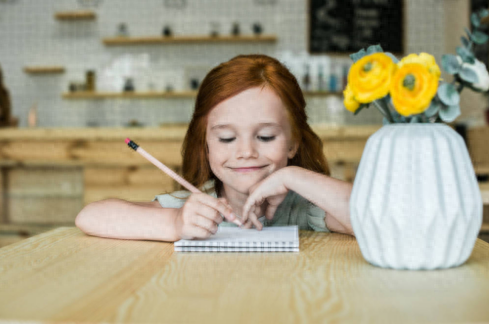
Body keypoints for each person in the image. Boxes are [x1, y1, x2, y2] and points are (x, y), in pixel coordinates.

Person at [75, 54, 354, 242]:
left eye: (266, 137)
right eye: (226, 139)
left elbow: (377, 216)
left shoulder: (303, 208)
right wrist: (175, 223)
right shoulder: (194, 207)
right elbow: (90, 216)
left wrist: (295, 177)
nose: (246, 151)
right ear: (206, 144)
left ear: (293, 142)